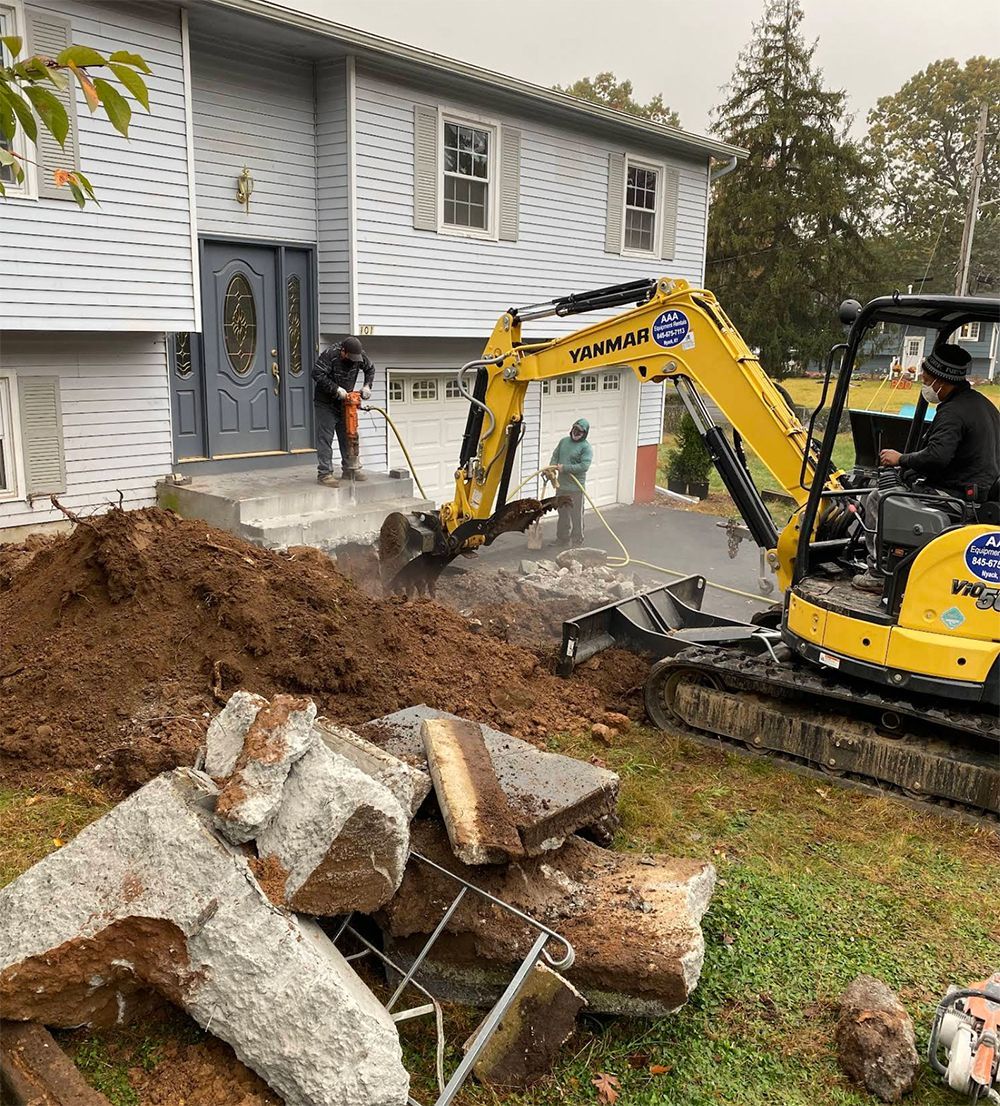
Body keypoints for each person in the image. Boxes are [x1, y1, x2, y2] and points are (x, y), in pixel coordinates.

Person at [853, 342, 1000, 592]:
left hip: (956, 498)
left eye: (927, 378)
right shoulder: (983, 405)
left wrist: (901, 459)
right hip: (979, 493)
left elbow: (937, 457)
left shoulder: (953, 412)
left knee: (878, 498)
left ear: (942, 381)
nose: (924, 382)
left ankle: (878, 572)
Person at [311, 336, 375, 486]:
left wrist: (367, 386)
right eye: (350, 357)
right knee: (325, 438)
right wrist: (336, 389)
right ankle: (325, 474)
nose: (353, 361)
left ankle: (350, 469)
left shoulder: (359, 355)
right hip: (325, 403)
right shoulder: (330, 355)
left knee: (347, 436)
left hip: (345, 403)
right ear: (343, 351)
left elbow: (370, 368)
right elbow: (316, 373)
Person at [545, 418, 593, 548]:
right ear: (572, 428)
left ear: (585, 434)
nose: (576, 432)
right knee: (562, 515)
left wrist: (565, 468)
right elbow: (555, 455)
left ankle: (577, 541)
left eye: (580, 431)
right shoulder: (563, 442)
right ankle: (562, 539)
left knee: (576, 516)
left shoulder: (586, 448)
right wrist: (552, 468)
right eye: (575, 429)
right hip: (562, 487)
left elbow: (584, 466)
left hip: (576, 488)